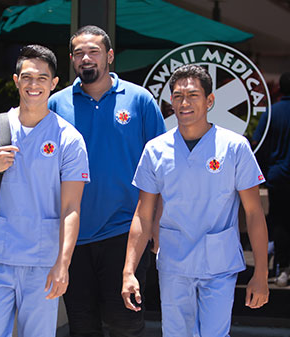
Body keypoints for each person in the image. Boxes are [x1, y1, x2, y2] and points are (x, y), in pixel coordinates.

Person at [122, 64, 269, 337]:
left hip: (219, 263)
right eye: (177, 96)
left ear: (209, 100)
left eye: (192, 95)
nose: (184, 103)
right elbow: (143, 214)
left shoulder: (234, 147)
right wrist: (129, 270)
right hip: (175, 262)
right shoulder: (156, 150)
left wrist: (260, 274)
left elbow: (253, 213)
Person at [0, 45, 90, 337]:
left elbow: (71, 209)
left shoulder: (68, 139)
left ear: (54, 84)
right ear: (16, 81)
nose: (33, 85)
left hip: (43, 265)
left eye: (42, 78)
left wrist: (62, 265)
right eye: (27, 77)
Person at [48, 25, 166, 337]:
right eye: (79, 53)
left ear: (110, 56)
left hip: (125, 232)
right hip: (72, 235)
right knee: (82, 326)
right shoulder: (56, 104)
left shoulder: (140, 100)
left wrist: (157, 222)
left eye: (94, 52)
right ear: (72, 59)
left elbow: (163, 166)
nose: (86, 58)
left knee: (125, 325)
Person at [252, 72, 290, 287]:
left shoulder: (272, 113)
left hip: (278, 176)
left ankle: (282, 267)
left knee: (279, 221)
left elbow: (259, 145)